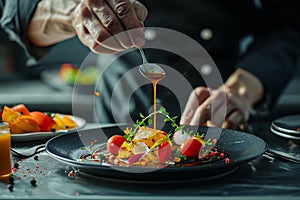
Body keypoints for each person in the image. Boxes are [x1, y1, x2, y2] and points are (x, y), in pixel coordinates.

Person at [1, 0, 300, 130]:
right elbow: (19, 12)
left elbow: (289, 23)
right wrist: (76, 14)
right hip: (115, 109)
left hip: (221, 108)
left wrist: (242, 89)